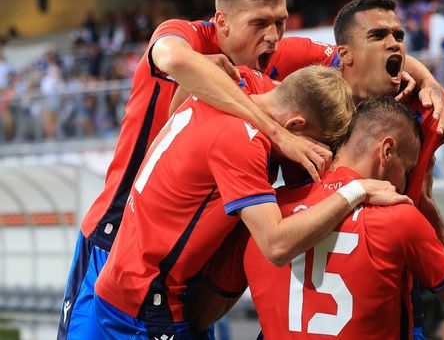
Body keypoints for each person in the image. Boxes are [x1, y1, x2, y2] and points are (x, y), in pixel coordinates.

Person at [57, 0, 331, 340]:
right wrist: (277, 132)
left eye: (280, 22)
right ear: (222, 22)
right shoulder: (184, 37)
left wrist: (424, 80)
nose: (272, 35)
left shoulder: (271, 55)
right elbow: (173, 58)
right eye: (259, 23)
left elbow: (350, 54)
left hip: (186, 266)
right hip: (115, 238)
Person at [93, 67, 411, 339]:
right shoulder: (241, 144)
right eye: (318, 145)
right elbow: (275, 245)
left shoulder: (238, 83)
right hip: (147, 304)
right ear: (295, 127)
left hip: (119, 279)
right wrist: (355, 191)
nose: (320, 157)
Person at [190, 97, 444, 338]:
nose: (405, 182)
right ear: (386, 151)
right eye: (406, 170)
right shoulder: (400, 218)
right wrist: (432, 213)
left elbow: (203, 314)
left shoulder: (264, 217)